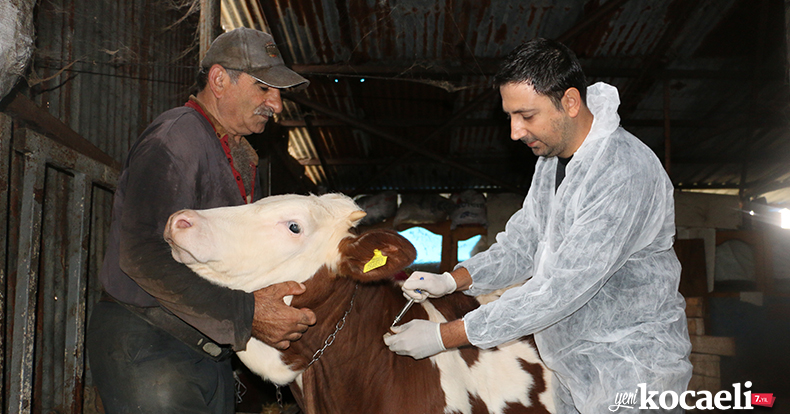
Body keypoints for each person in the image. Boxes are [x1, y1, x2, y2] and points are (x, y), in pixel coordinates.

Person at [384, 38, 693, 413]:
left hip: (632, 370)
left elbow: (562, 289)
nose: (515, 131)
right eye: (510, 116)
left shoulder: (623, 171)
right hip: (572, 369)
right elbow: (523, 244)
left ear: (571, 103)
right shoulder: (551, 162)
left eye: (526, 116)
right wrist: (452, 279)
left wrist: (444, 336)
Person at [87, 27, 317, 414]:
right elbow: (141, 253)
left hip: (202, 351)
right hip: (150, 345)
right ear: (220, 79)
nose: (276, 104)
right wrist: (248, 314)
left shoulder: (234, 151)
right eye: (264, 87)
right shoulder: (176, 137)